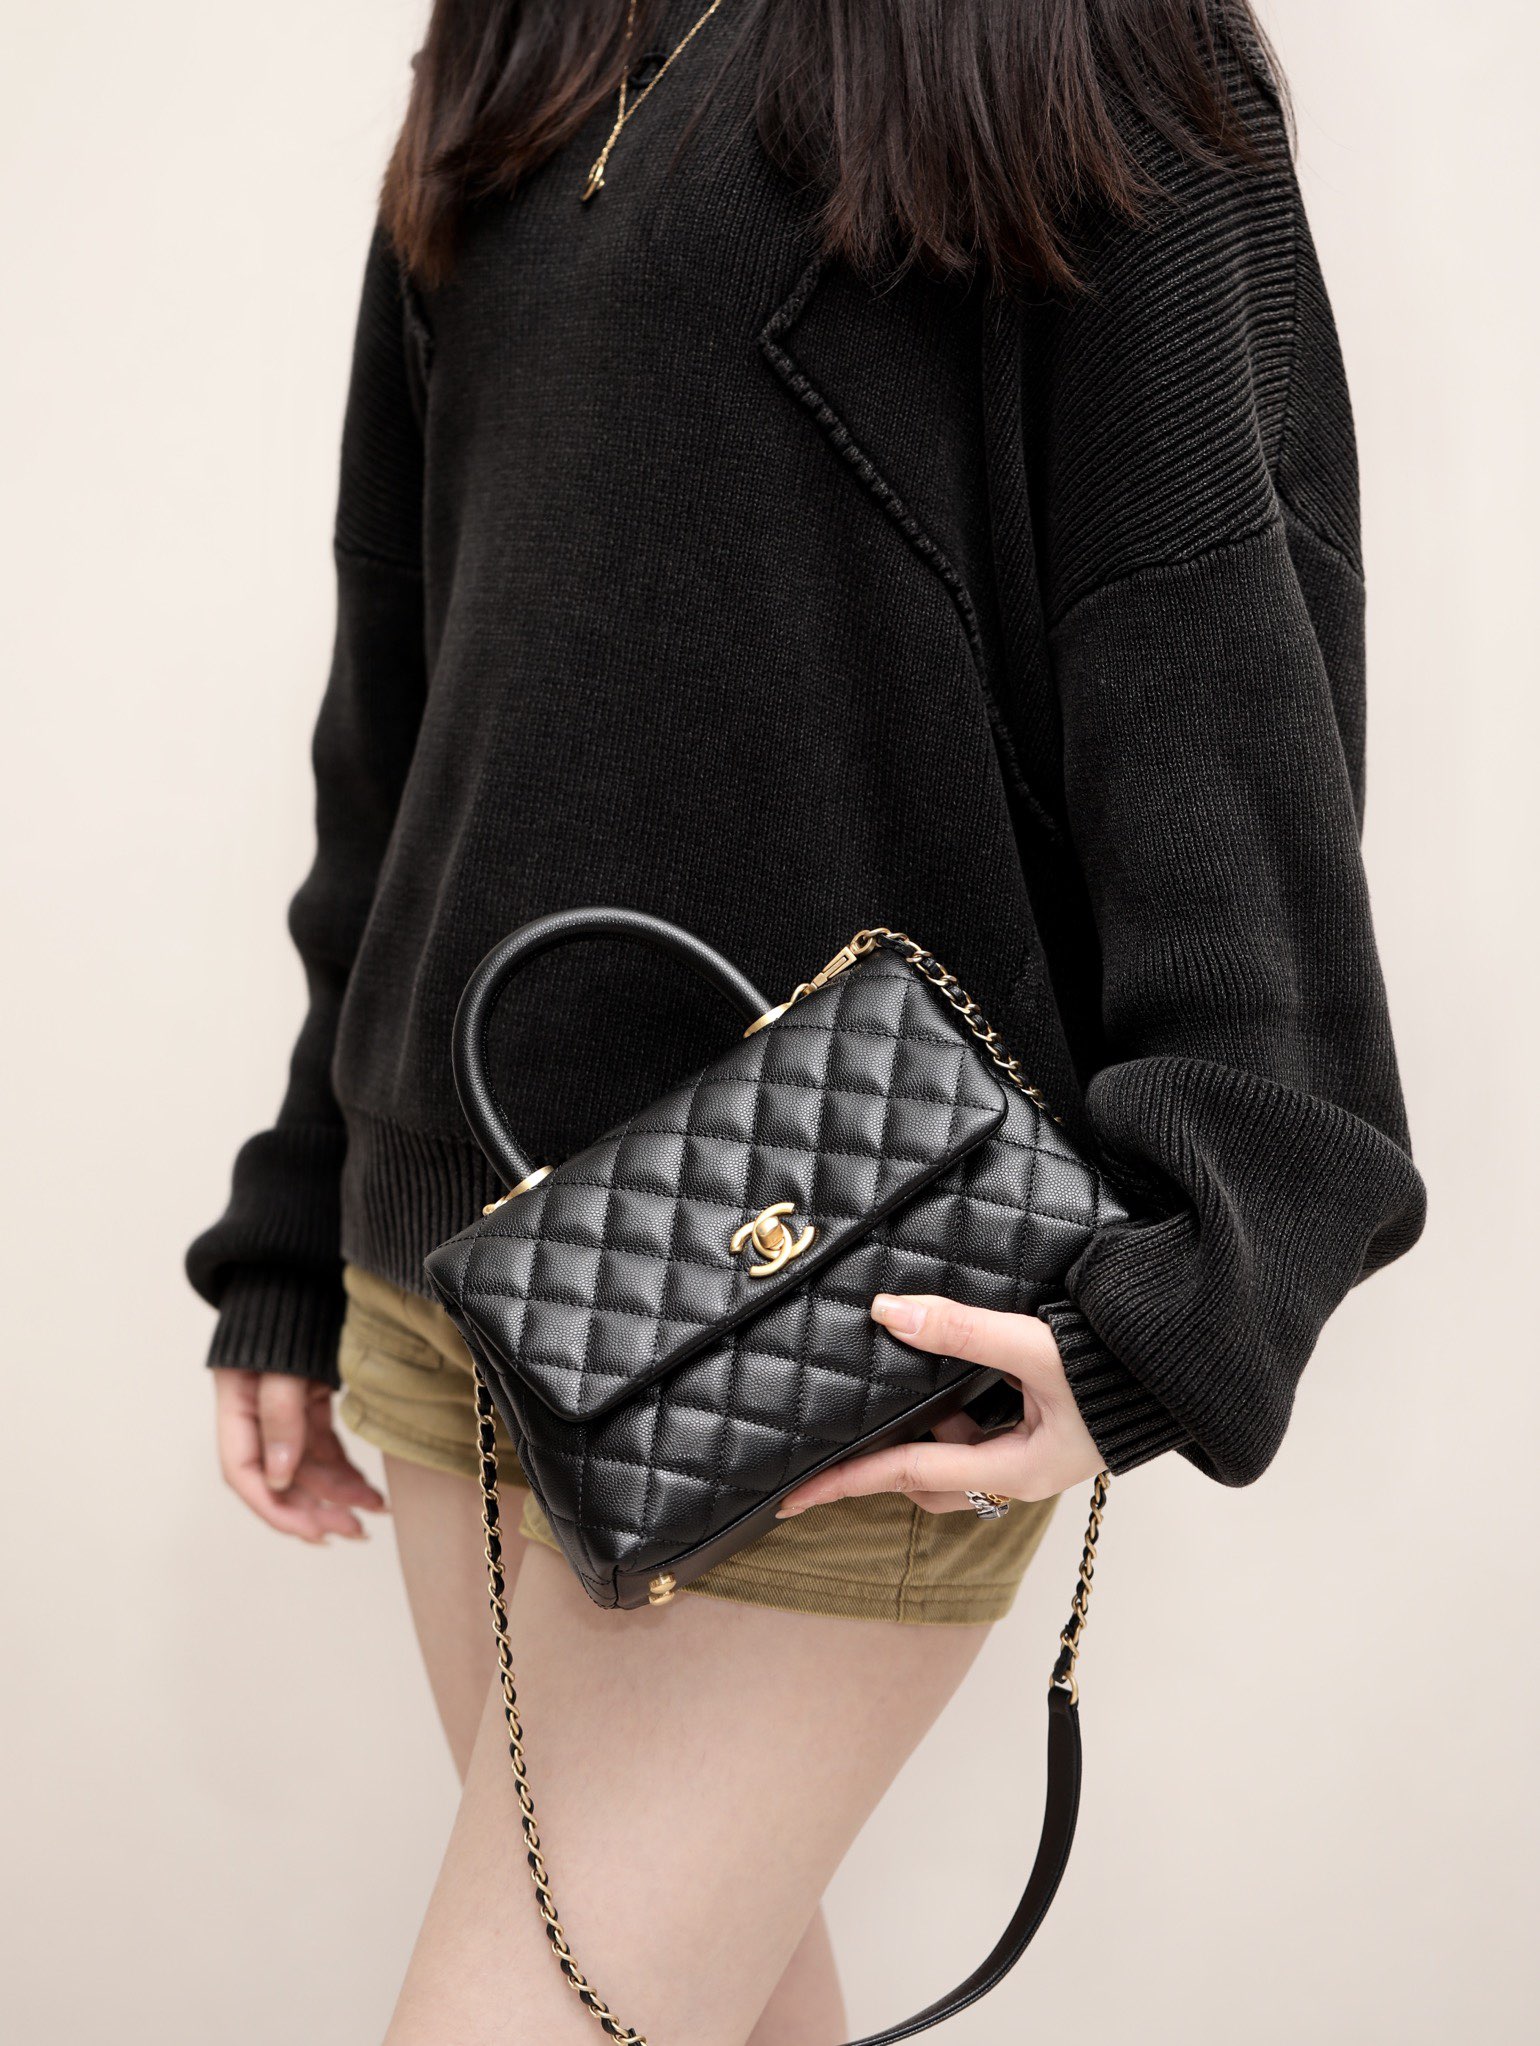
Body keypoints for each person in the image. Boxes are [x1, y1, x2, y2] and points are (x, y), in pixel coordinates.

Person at [187, 3, 1426, 2039]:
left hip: (829, 1289)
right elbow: (409, 652)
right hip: (449, 1272)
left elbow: (1217, 642)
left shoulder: (1079, 38)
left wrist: (1198, 1283)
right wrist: (297, 1208)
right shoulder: (513, 29)